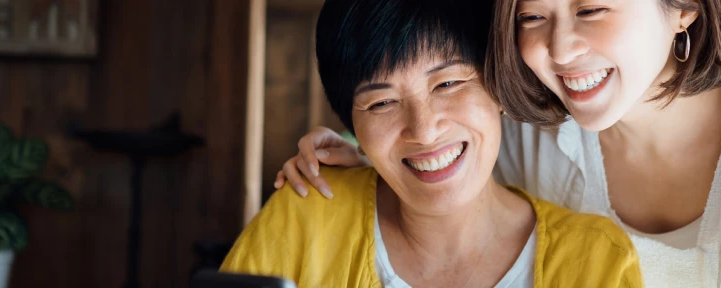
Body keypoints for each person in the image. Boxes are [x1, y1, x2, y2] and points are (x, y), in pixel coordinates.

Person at [275, 0, 721, 286]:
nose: (559, 51)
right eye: (532, 17)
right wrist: (369, 162)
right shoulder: (524, 117)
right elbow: (441, 153)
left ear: (684, 9)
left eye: (592, 9)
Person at [221, 0, 643, 287]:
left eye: (448, 83)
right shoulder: (305, 218)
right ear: (351, 120)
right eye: (382, 102)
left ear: (499, 86)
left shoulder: (597, 261)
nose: (423, 131)